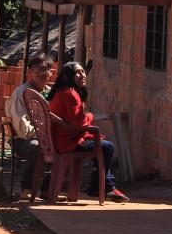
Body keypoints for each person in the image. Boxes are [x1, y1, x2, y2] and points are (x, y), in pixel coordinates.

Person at [47, 62, 129, 202]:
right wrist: (90, 116)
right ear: (67, 77)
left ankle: (104, 185)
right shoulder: (70, 94)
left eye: (82, 72)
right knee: (107, 147)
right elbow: (80, 123)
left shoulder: (60, 92)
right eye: (77, 73)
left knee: (102, 145)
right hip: (69, 143)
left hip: (62, 140)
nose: (82, 75)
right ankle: (103, 186)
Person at [4, 52, 53, 198]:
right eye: (38, 69)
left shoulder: (49, 93)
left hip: (45, 137)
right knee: (36, 146)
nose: (42, 73)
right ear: (30, 73)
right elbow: (22, 128)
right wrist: (44, 135)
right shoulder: (21, 93)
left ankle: (48, 189)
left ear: (51, 72)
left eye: (46, 69)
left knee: (62, 144)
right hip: (21, 139)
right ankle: (27, 188)